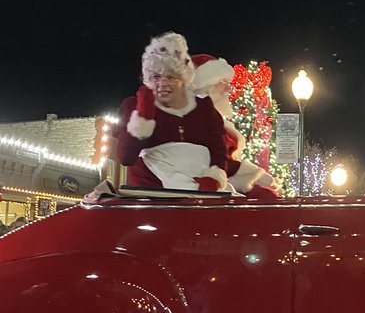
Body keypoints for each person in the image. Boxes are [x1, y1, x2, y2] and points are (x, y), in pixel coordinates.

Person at [112, 31, 238, 191]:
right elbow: (126, 157)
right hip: (154, 198)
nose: (162, 83)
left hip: (202, 195)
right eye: (156, 77)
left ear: (183, 78)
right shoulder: (133, 106)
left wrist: (214, 177)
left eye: (170, 77)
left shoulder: (204, 109)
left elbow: (218, 150)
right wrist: (144, 114)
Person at [191, 54, 279, 195]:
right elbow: (216, 158)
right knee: (267, 197)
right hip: (212, 183)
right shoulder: (200, 118)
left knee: (268, 196)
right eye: (224, 82)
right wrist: (257, 175)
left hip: (225, 180)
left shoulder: (215, 118)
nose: (229, 90)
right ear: (207, 85)